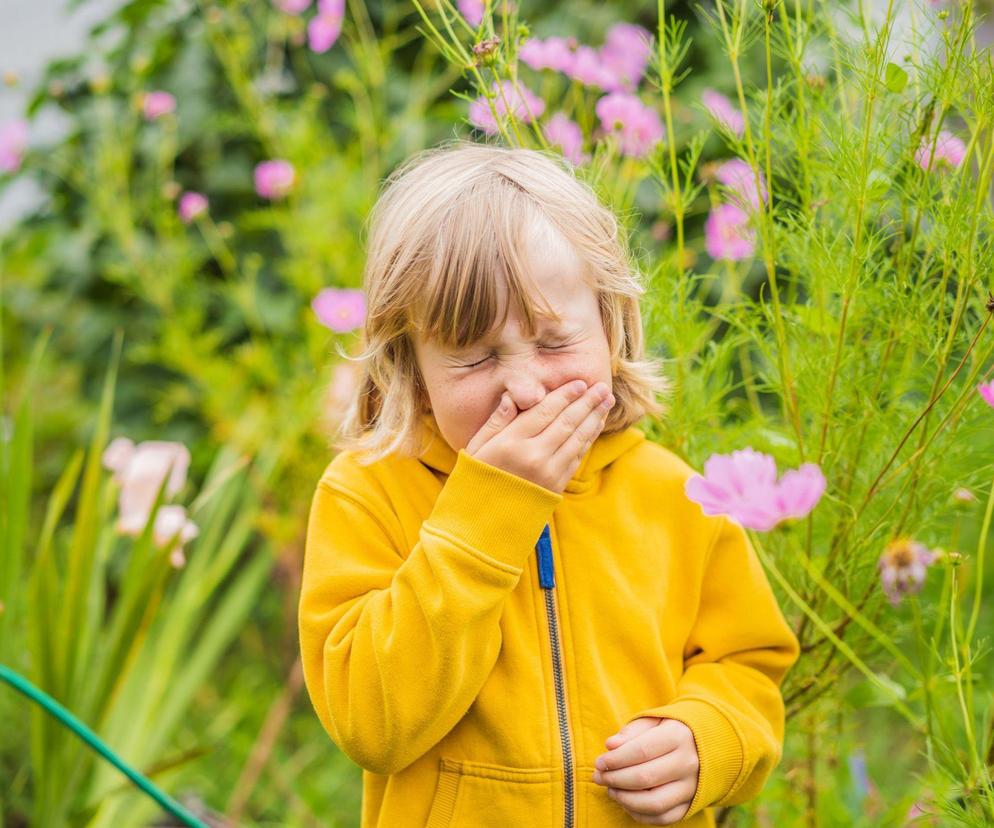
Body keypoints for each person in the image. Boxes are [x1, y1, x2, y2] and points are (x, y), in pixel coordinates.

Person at [297, 139, 801, 828]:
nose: (527, 389)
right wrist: (486, 516)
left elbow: (747, 666)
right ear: (409, 367)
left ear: (612, 326)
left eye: (556, 342)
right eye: (474, 358)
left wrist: (704, 739)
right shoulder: (369, 494)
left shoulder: (673, 496)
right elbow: (373, 723)